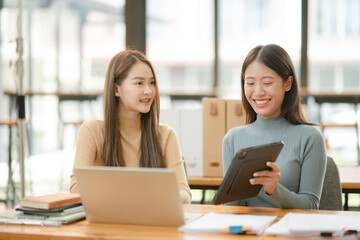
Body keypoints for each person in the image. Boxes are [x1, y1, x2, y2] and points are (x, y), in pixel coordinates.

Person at [70, 49, 192, 204]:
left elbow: (184, 194)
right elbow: (76, 189)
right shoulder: (92, 131)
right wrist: (142, 195)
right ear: (116, 89)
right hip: (107, 222)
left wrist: (139, 196)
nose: (148, 91)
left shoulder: (166, 135)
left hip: (151, 222)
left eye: (152, 83)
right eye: (139, 83)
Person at [223, 44, 327, 209]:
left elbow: (310, 206)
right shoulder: (232, 139)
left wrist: (274, 189)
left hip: (290, 232)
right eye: (250, 83)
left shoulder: (310, 137)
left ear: (287, 84)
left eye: (267, 82)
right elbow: (234, 207)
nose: (258, 92)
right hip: (249, 232)